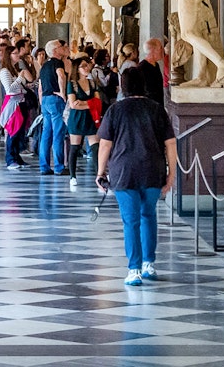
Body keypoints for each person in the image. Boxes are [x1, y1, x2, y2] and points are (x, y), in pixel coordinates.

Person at [96, 68, 178, 286]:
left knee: (130, 220)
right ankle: (149, 264)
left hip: (123, 170)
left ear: (123, 86)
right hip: (153, 169)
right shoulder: (156, 109)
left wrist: (100, 172)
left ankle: (134, 269)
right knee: (148, 215)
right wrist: (172, 174)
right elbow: (170, 143)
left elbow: (105, 144)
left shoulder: (116, 110)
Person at [66, 56, 99, 187]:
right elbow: (73, 104)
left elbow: (98, 101)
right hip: (77, 119)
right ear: (77, 69)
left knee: (95, 147)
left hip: (91, 118)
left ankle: (99, 174)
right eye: (83, 66)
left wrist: (85, 103)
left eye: (87, 65)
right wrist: (90, 104)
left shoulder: (92, 82)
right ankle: (72, 176)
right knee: (75, 147)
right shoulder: (72, 84)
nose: (87, 68)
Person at [0, 44, 33, 170]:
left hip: (21, 102)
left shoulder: (15, 70)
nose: (18, 55)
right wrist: (20, 78)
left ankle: (17, 156)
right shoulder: (4, 71)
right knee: (13, 131)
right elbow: (9, 89)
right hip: (13, 104)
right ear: (9, 56)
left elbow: (25, 82)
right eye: (15, 53)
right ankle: (10, 158)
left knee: (19, 132)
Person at [38, 40, 68, 175]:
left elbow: (40, 87)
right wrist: (63, 93)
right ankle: (58, 167)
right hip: (56, 100)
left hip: (45, 100)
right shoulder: (58, 63)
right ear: (55, 50)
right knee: (58, 134)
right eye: (61, 46)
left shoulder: (44, 66)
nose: (64, 48)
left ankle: (44, 166)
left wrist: (41, 102)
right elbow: (61, 76)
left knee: (46, 134)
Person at [138, 38, 166, 107]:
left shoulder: (156, 65)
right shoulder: (142, 67)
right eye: (160, 48)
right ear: (153, 50)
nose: (162, 51)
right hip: (148, 107)